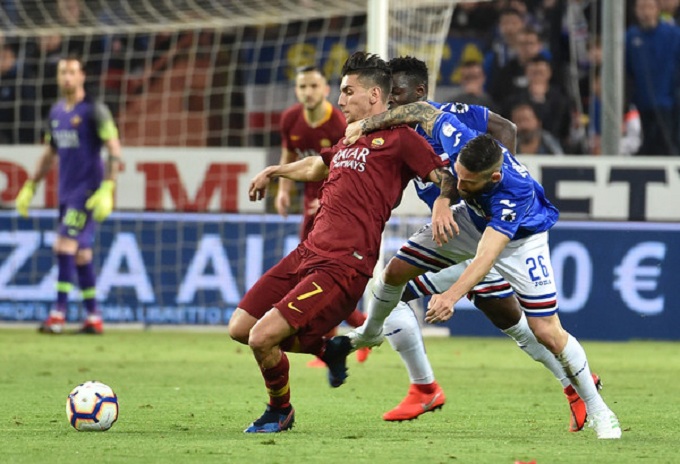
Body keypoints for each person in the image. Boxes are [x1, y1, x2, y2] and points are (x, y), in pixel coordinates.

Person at [335, 102, 622, 439]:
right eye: (459, 174)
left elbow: (486, 256)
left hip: (520, 243)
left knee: (546, 330)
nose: (461, 183)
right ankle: (371, 333)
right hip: (470, 221)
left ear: (494, 178)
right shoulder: (459, 136)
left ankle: (600, 411)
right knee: (394, 272)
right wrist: (367, 124)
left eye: (468, 183)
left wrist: (451, 296)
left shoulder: (513, 194)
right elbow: (421, 110)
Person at [227, 51, 455, 434]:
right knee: (240, 327)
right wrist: (276, 171)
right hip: (308, 252)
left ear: (375, 96)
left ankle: (279, 410)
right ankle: (329, 350)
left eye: (348, 91)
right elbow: (320, 163)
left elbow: (444, 175)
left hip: (344, 264)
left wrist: (443, 204)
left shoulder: (402, 140)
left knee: (262, 338)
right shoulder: (350, 137)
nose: (340, 100)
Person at [14, 55, 122, 335]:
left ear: (82, 76)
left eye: (72, 72)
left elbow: (114, 148)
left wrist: (108, 187)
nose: (67, 77)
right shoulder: (56, 112)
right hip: (66, 193)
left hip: (87, 193)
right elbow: (51, 152)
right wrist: (31, 184)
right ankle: (93, 317)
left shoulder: (94, 110)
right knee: (82, 255)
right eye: (63, 72)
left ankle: (58, 315)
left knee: (63, 247)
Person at [276, 65, 370, 367]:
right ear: (296, 90)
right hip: (310, 206)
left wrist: (328, 198)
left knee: (320, 275)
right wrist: (282, 191)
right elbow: (289, 157)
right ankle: (343, 334)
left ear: (326, 90)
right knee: (312, 274)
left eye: (313, 86)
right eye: (302, 87)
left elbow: (356, 163)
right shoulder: (290, 119)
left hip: (338, 209)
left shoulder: (340, 121)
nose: (308, 92)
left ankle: (360, 326)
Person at [626, 0, 680, 155]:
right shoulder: (631, 37)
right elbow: (628, 71)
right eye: (641, 8)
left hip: (668, 104)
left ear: (657, 9)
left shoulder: (673, 35)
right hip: (641, 104)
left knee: (668, 145)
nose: (645, 12)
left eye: (649, 7)